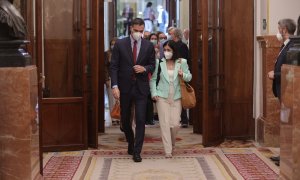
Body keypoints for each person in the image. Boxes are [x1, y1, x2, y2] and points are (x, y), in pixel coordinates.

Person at [110, 18, 155, 162]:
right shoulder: (120, 44)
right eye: (136, 31)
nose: (139, 34)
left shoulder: (148, 46)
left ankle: (137, 151)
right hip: (124, 88)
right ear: (131, 29)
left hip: (141, 88)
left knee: (141, 119)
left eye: (141, 31)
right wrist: (115, 86)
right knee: (124, 120)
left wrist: (145, 68)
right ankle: (130, 141)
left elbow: (153, 65)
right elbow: (114, 66)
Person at [150, 40, 192, 158]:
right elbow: (153, 79)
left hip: (177, 97)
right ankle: (168, 151)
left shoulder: (182, 62)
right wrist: (154, 93)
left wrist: (182, 74)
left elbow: (189, 77)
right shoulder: (159, 62)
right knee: (165, 124)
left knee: (175, 124)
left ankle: (172, 143)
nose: (167, 52)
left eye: (169, 50)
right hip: (162, 97)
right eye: (165, 50)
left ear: (174, 51)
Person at [267, 18, 296, 166]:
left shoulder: (293, 46)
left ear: (284, 29)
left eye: (279, 28)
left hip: (288, 92)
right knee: (285, 124)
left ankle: (287, 157)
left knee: (288, 124)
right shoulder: (285, 45)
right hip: (282, 91)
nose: (277, 31)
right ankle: (283, 154)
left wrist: (275, 75)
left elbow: (292, 72)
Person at [169, 27, 190, 127]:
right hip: (171, 72)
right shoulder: (170, 45)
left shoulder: (182, 46)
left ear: (176, 35)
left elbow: (185, 59)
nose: (170, 35)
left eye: (172, 34)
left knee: (181, 97)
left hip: (180, 73)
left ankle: (184, 120)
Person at [104, 37, 119, 126]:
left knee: (119, 99)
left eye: (115, 44)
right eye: (112, 44)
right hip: (110, 78)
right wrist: (106, 79)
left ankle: (119, 117)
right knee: (111, 98)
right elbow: (105, 67)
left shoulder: (122, 53)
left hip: (120, 78)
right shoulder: (107, 54)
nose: (113, 46)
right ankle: (113, 117)